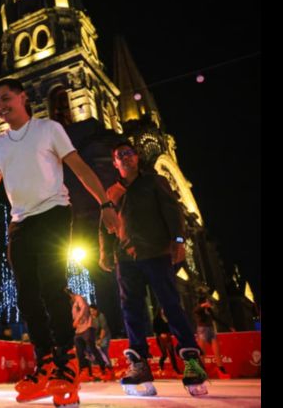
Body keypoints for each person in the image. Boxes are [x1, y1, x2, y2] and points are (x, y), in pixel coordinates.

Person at [0, 79, 119, 406]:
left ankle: (67, 362)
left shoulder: (48, 129)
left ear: (23, 98)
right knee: (27, 294)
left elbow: (79, 167)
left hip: (53, 211)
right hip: (19, 222)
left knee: (52, 287)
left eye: (5, 98)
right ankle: (45, 362)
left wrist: (105, 205)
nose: (0, 105)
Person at [99, 141, 208, 397]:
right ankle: (139, 363)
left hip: (156, 252)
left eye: (128, 154)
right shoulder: (111, 193)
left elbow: (173, 212)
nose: (125, 158)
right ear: (115, 163)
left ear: (136, 158)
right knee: (131, 309)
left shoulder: (154, 182)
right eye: (119, 156)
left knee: (171, 304)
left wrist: (178, 240)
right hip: (126, 257)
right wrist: (104, 251)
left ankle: (191, 359)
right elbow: (104, 224)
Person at [70, 291, 110, 382]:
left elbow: (84, 308)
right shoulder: (72, 304)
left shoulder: (78, 298)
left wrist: (77, 320)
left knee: (92, 348)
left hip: (87, 327)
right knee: (79, 351)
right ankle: (85, 371)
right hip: (79, 330)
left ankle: (104, 368)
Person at [194, 296, 232, 378]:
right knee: (202, 353)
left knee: (217, 351)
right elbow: (196, 310)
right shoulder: (199, 309)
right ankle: (201, 371)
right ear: (203, 302)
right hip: (202, 330)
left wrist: (228, 327)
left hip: (211, 330)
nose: (209, 303)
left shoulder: (209, 310)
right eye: (207, 301)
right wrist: (203, 306)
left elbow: (216, 318)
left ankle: (221, 370)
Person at [153, 308, 181, 376]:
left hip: (168, 337)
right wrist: (160, 333)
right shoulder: (156, 319)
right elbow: (155, 329)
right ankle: (161, 368)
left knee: (172, 353)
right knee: (164, 354)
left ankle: (176, 369)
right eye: (162, 310)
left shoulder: (168, 318)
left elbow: (171, 327)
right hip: (160, 337)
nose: (163, 311)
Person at [90, 304, 113, 372]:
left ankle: (109, 367)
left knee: (103, 349)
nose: (92, 312)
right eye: (90, 311)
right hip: (96, 336)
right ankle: (98, 368)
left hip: (105, 335)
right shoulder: (89, 318)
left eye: (93, 311)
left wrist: (100, 339)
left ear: (96, 310)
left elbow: (103, 329)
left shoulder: (101, 316)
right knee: (93, 351)